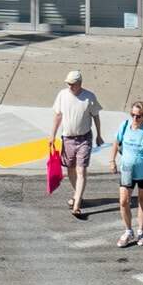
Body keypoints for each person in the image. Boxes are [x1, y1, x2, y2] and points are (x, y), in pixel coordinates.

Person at [48, 70, 103, 217]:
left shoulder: (89, 97)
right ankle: (77, 194)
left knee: (81, 170)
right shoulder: (62, 95)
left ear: (80, 83)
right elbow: (58, 115)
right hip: (68, 139)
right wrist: (52, 135)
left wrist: (99, 135)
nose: (70, 87)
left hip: (84, 139)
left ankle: (77, 204)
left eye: (73, 84)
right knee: (70, 170)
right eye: (68, 84)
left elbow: (96, 116)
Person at [110, 100, 143, 247]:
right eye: (132, 115)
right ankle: (128, 231)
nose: (135, 118)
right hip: (127, 170)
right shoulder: (124, 126)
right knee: (123, 201)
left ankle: (141, 231)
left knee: (142, 201)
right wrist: (112, 160)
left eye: (138, 116)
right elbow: (116, 142)